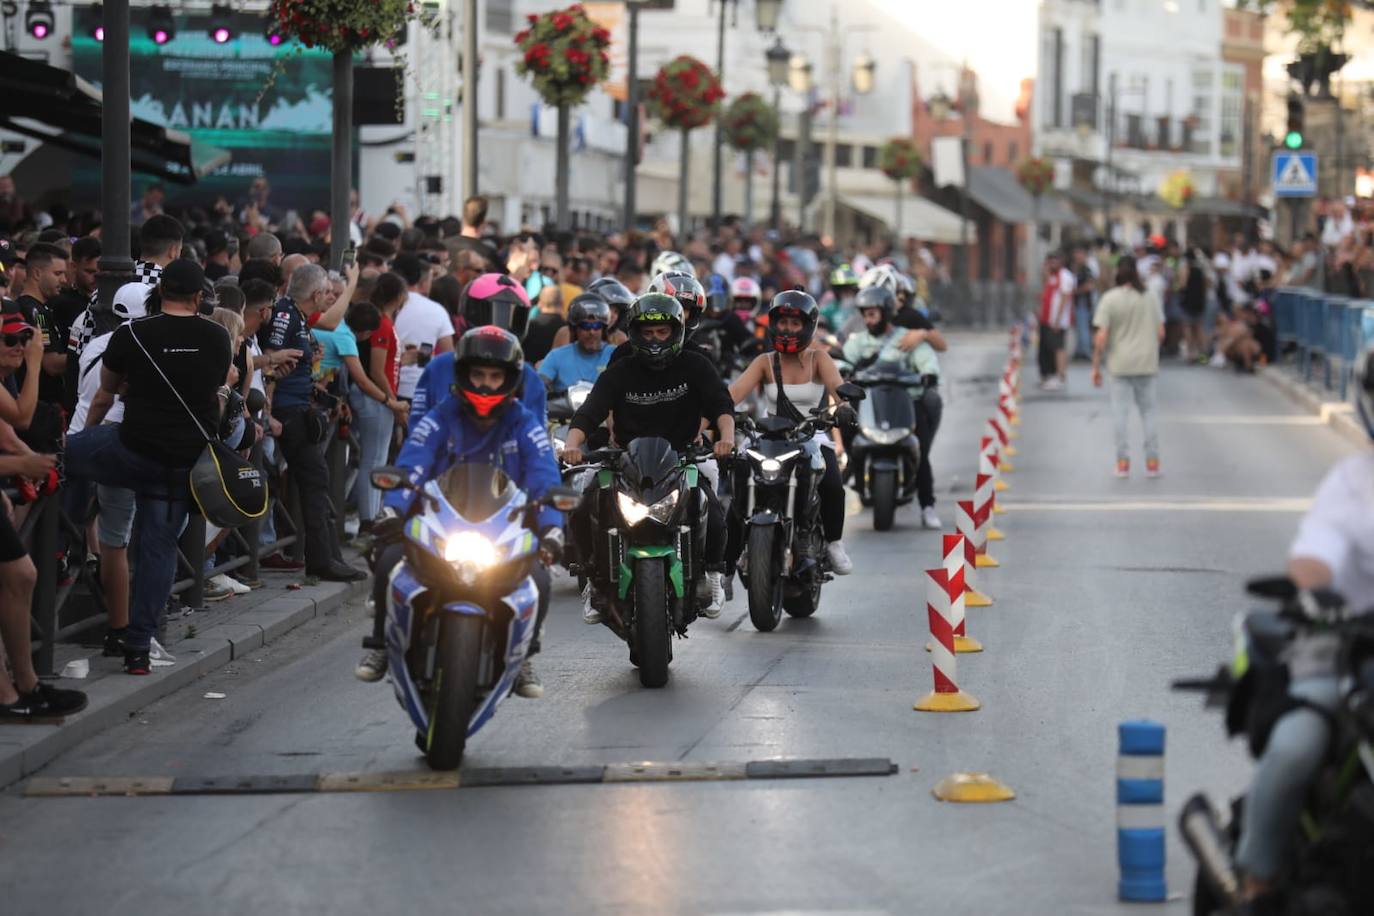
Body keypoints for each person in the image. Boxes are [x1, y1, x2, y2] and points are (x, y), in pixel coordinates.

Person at [1229, 350, 1374, 905]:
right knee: (1298, 743)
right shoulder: (1353, 482)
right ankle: (1257, 881)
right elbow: (1314, 556)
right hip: (1343, 646)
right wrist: (1319, 592)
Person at [356, 327, 563, 698]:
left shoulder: (523, 421)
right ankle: (380, 646)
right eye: (478, 375)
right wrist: (392, 511)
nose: (485, 385)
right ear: (464, 374)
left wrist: (552, 527)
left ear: (510, 379)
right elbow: (413, 462)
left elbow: (545, 477)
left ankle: (524, 655)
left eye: (495, 376)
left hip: (505, 525)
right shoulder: (443, 414)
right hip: (438, 518)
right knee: (390, 559)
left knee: (539, 578)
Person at [64, 260, 233, 674]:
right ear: (198, 298)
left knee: (62, 455)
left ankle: (64, 538)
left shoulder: (130, 334)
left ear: (159, 295)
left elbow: (104, 397)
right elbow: (214, 391)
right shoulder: (218, 337)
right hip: (181, 463)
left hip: (131, 449)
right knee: (159, 551)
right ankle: (139, 650)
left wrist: (86, 440)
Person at [562, 293, 736, 621]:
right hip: (626, 459)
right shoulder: (621, 368)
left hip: (684, 457)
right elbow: (589, 412)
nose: (654, 340)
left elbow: (721, 405)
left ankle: (712, 572)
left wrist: (726, 440)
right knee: (583, 506)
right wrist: (572, 446)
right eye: (647, 333)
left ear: (676, 332)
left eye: (662, 333)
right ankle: (593, 582)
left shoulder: (696, 364)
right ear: (635, 334)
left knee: (712, 507)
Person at [728, 291, 852, 574]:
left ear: (807, 326)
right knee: (738, 484)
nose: (787, 330)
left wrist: (844, 408)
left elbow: (839, 389)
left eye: (794, 325)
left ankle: (833, 543)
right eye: (783, 323)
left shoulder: (820, 359)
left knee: (832, 484)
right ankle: (724, 563)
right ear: (773, 324)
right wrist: (716, 409)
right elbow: (732, 394)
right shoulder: (764, 362)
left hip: (811, 435)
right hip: (770, 438)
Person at [261, 262, 365, 582]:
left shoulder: (296, 315)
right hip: (288, 414)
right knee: (316, 482)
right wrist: (267, 413)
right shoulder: (286, 315)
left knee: (315, 482)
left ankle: (326, 555)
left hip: (297, 409)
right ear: (317, 294)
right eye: (328, 294)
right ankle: (321, 560)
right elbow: (270, 363)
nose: (330, 300)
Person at [842, 285, 944, 528]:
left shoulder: (904, 338)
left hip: (904, 401)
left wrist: (927, 374)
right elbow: (843, 362)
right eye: (865, 314)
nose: (868, 319)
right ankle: (851, 469)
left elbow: (927, 361)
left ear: (886, 313)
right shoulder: (858, 342)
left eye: (873, 313)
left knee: (920, 448)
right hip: (868, 402)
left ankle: (927, 506)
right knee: (843, 421)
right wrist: (843, 372)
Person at [1091, 255, 1164, 479]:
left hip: (1119, 364)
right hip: (1147, 363)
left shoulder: (1110, 299)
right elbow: (1161, 333)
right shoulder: (1150, 296)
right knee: (1149, 413)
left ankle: (1123, 463)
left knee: (1120, 415)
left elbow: (1101, 337)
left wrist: (1095, 366)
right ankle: (1152, 462)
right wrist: (1149, 346)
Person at [392, 252, 454, 401]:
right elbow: (448, 355)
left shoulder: (387, 306)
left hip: (388, 387)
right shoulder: (437, 310)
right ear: (424, 282)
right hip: (423, 388)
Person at [537, 293, 614, 389]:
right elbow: (538, 385)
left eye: (596, 326)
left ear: (603, 328)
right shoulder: (557, 356)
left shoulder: (615, 355)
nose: (591, 332)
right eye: (585, 326)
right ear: (574, 329)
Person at [1038, 251, 1075, 390]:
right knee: (1051, 347)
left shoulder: (1065, 276)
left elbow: (1065, 298)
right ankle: (1053, 374)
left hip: (1058, 320)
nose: (1052, 264)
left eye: (1055, 261)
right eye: (1050, 261)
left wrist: (1058, 319)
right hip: (1048, 318)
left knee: (1059, 348)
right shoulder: (1052, 276)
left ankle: (1061, 375)